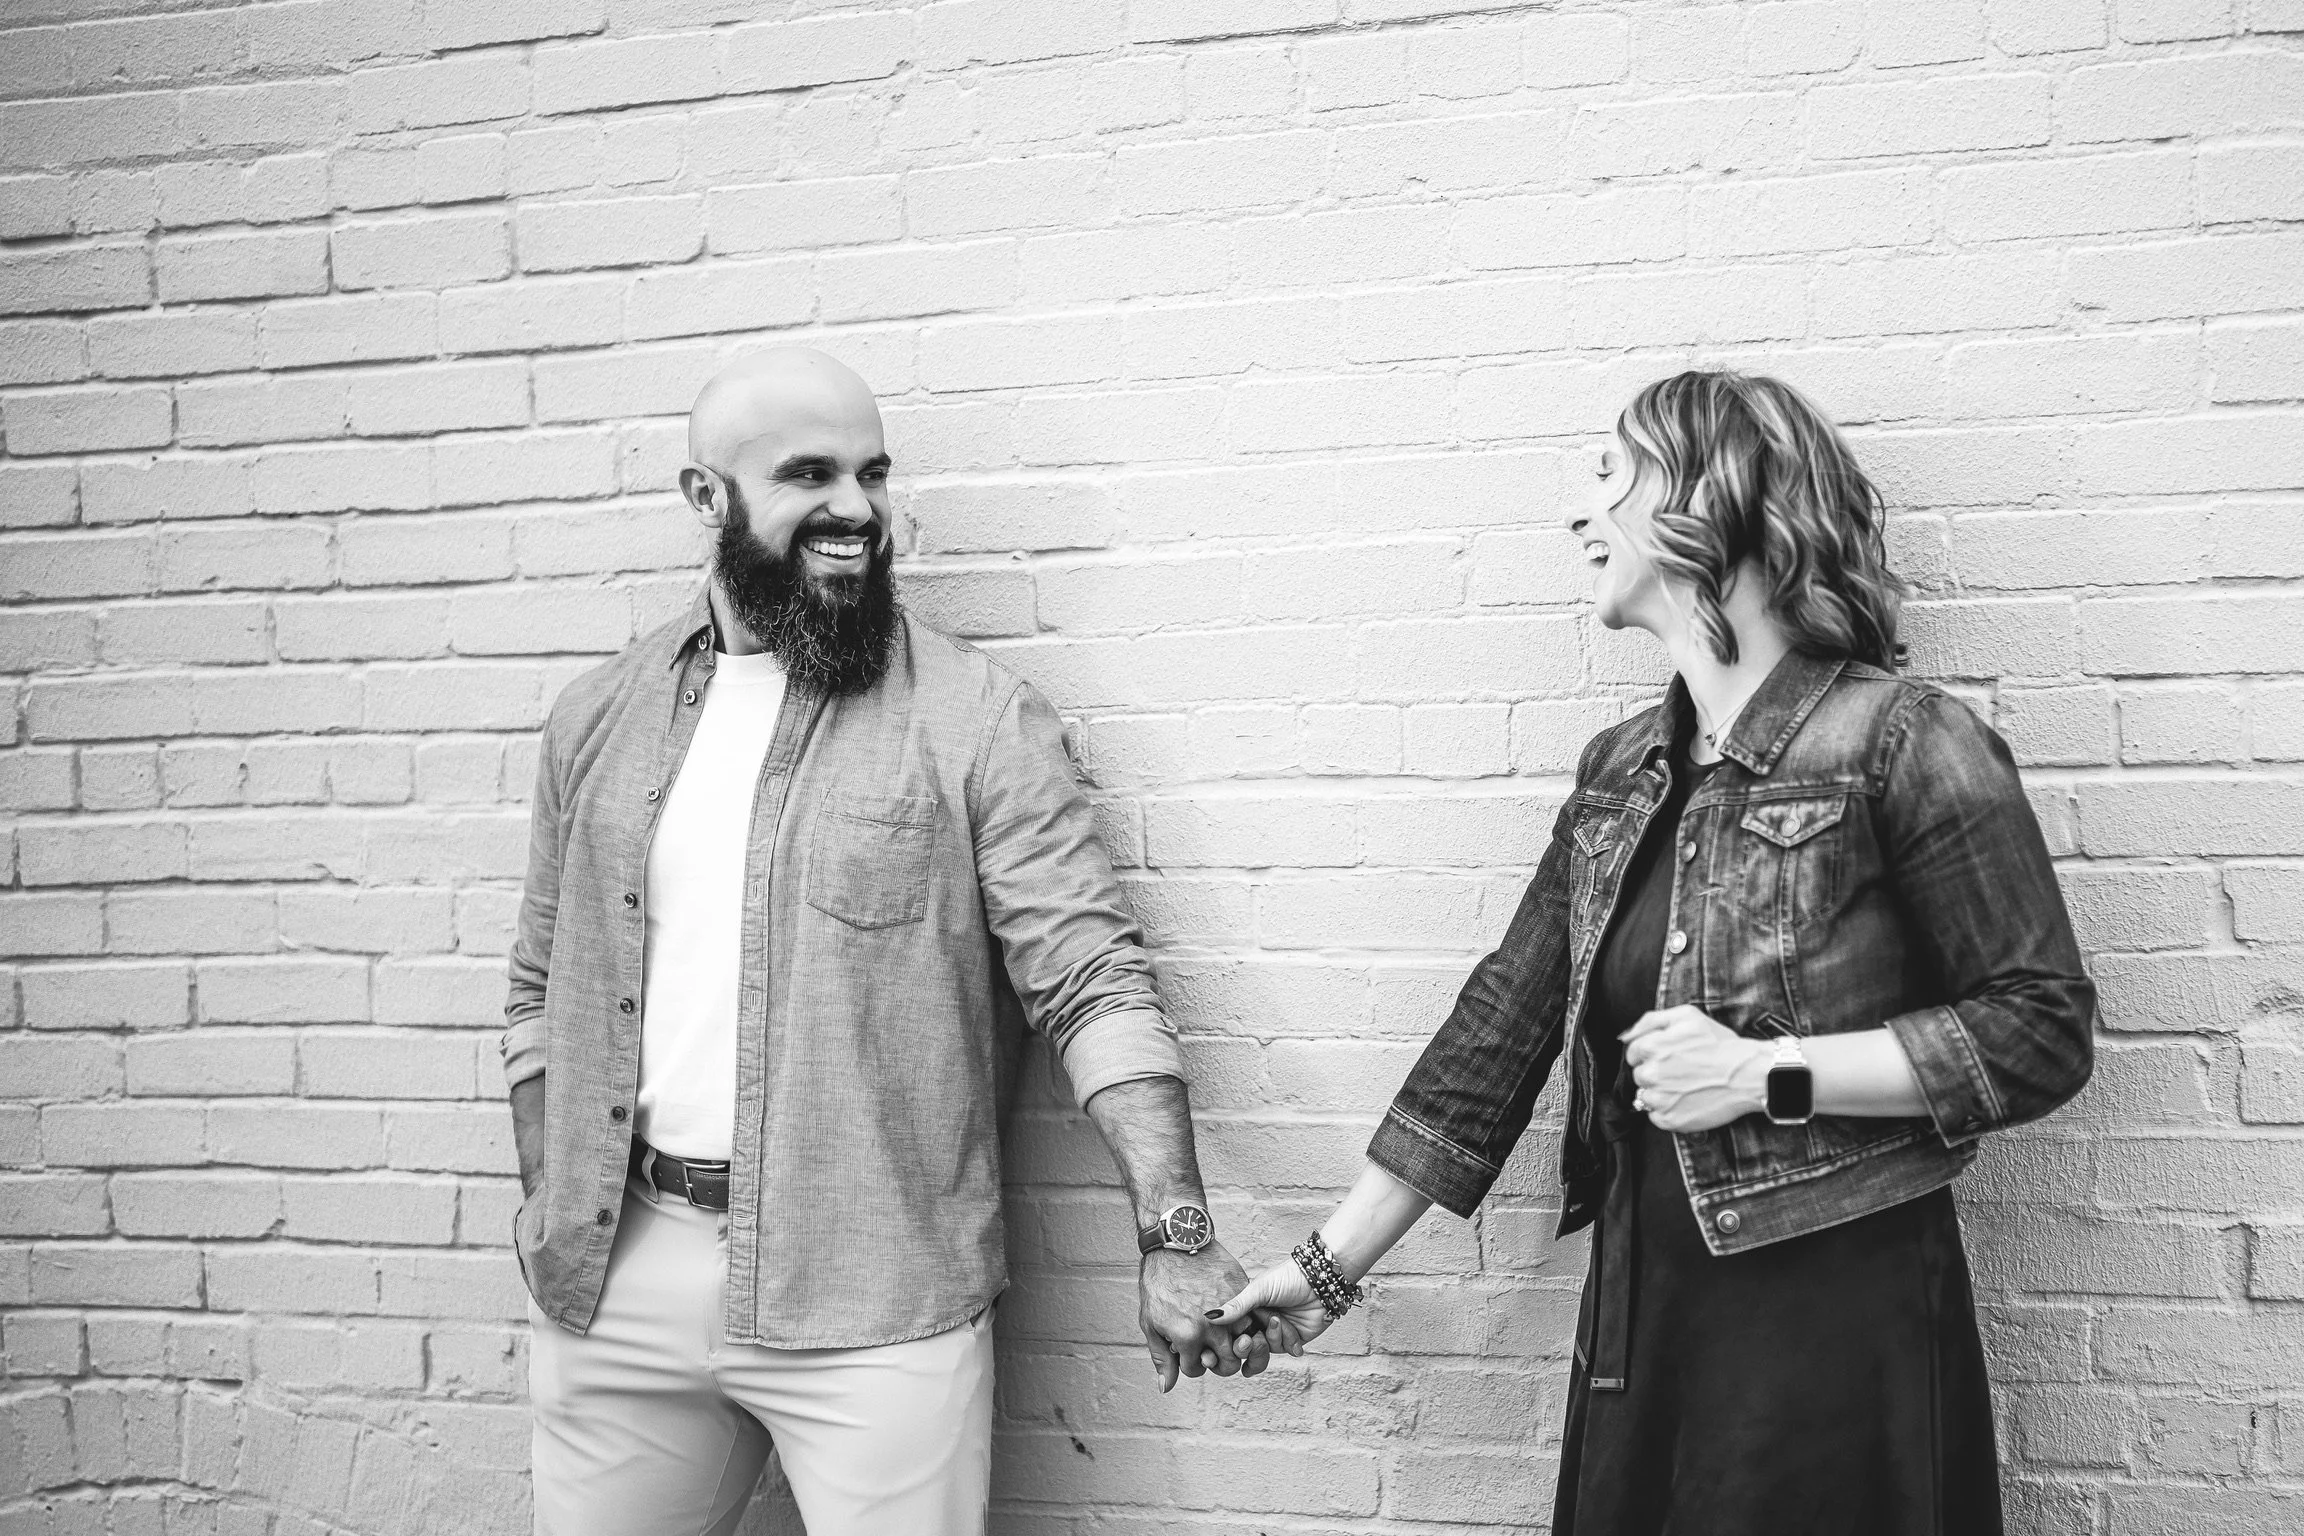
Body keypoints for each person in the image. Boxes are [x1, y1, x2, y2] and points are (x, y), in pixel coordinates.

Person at [1215, 370, 2097, 1534]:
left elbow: (2040, 1028)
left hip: (1831, 1324)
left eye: (1607, 476)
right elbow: (1492, 1045)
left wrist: (1766, 1073)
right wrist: (1324, 1271)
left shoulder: (1901, 739)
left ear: (1703, 497)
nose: (1579, 515)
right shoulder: (1619, 772)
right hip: (1648, 1310)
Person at [501, 347, 1263, 1536]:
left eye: (872, 473)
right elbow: (540, 985)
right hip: (616, 1281)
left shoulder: (977, 721)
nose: (856, 508)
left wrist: (1177, 1230)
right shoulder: (597, 719)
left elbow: (1095, 984)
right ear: (708, 499)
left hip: (879, 1297)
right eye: (811, 474)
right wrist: (550, 1195)